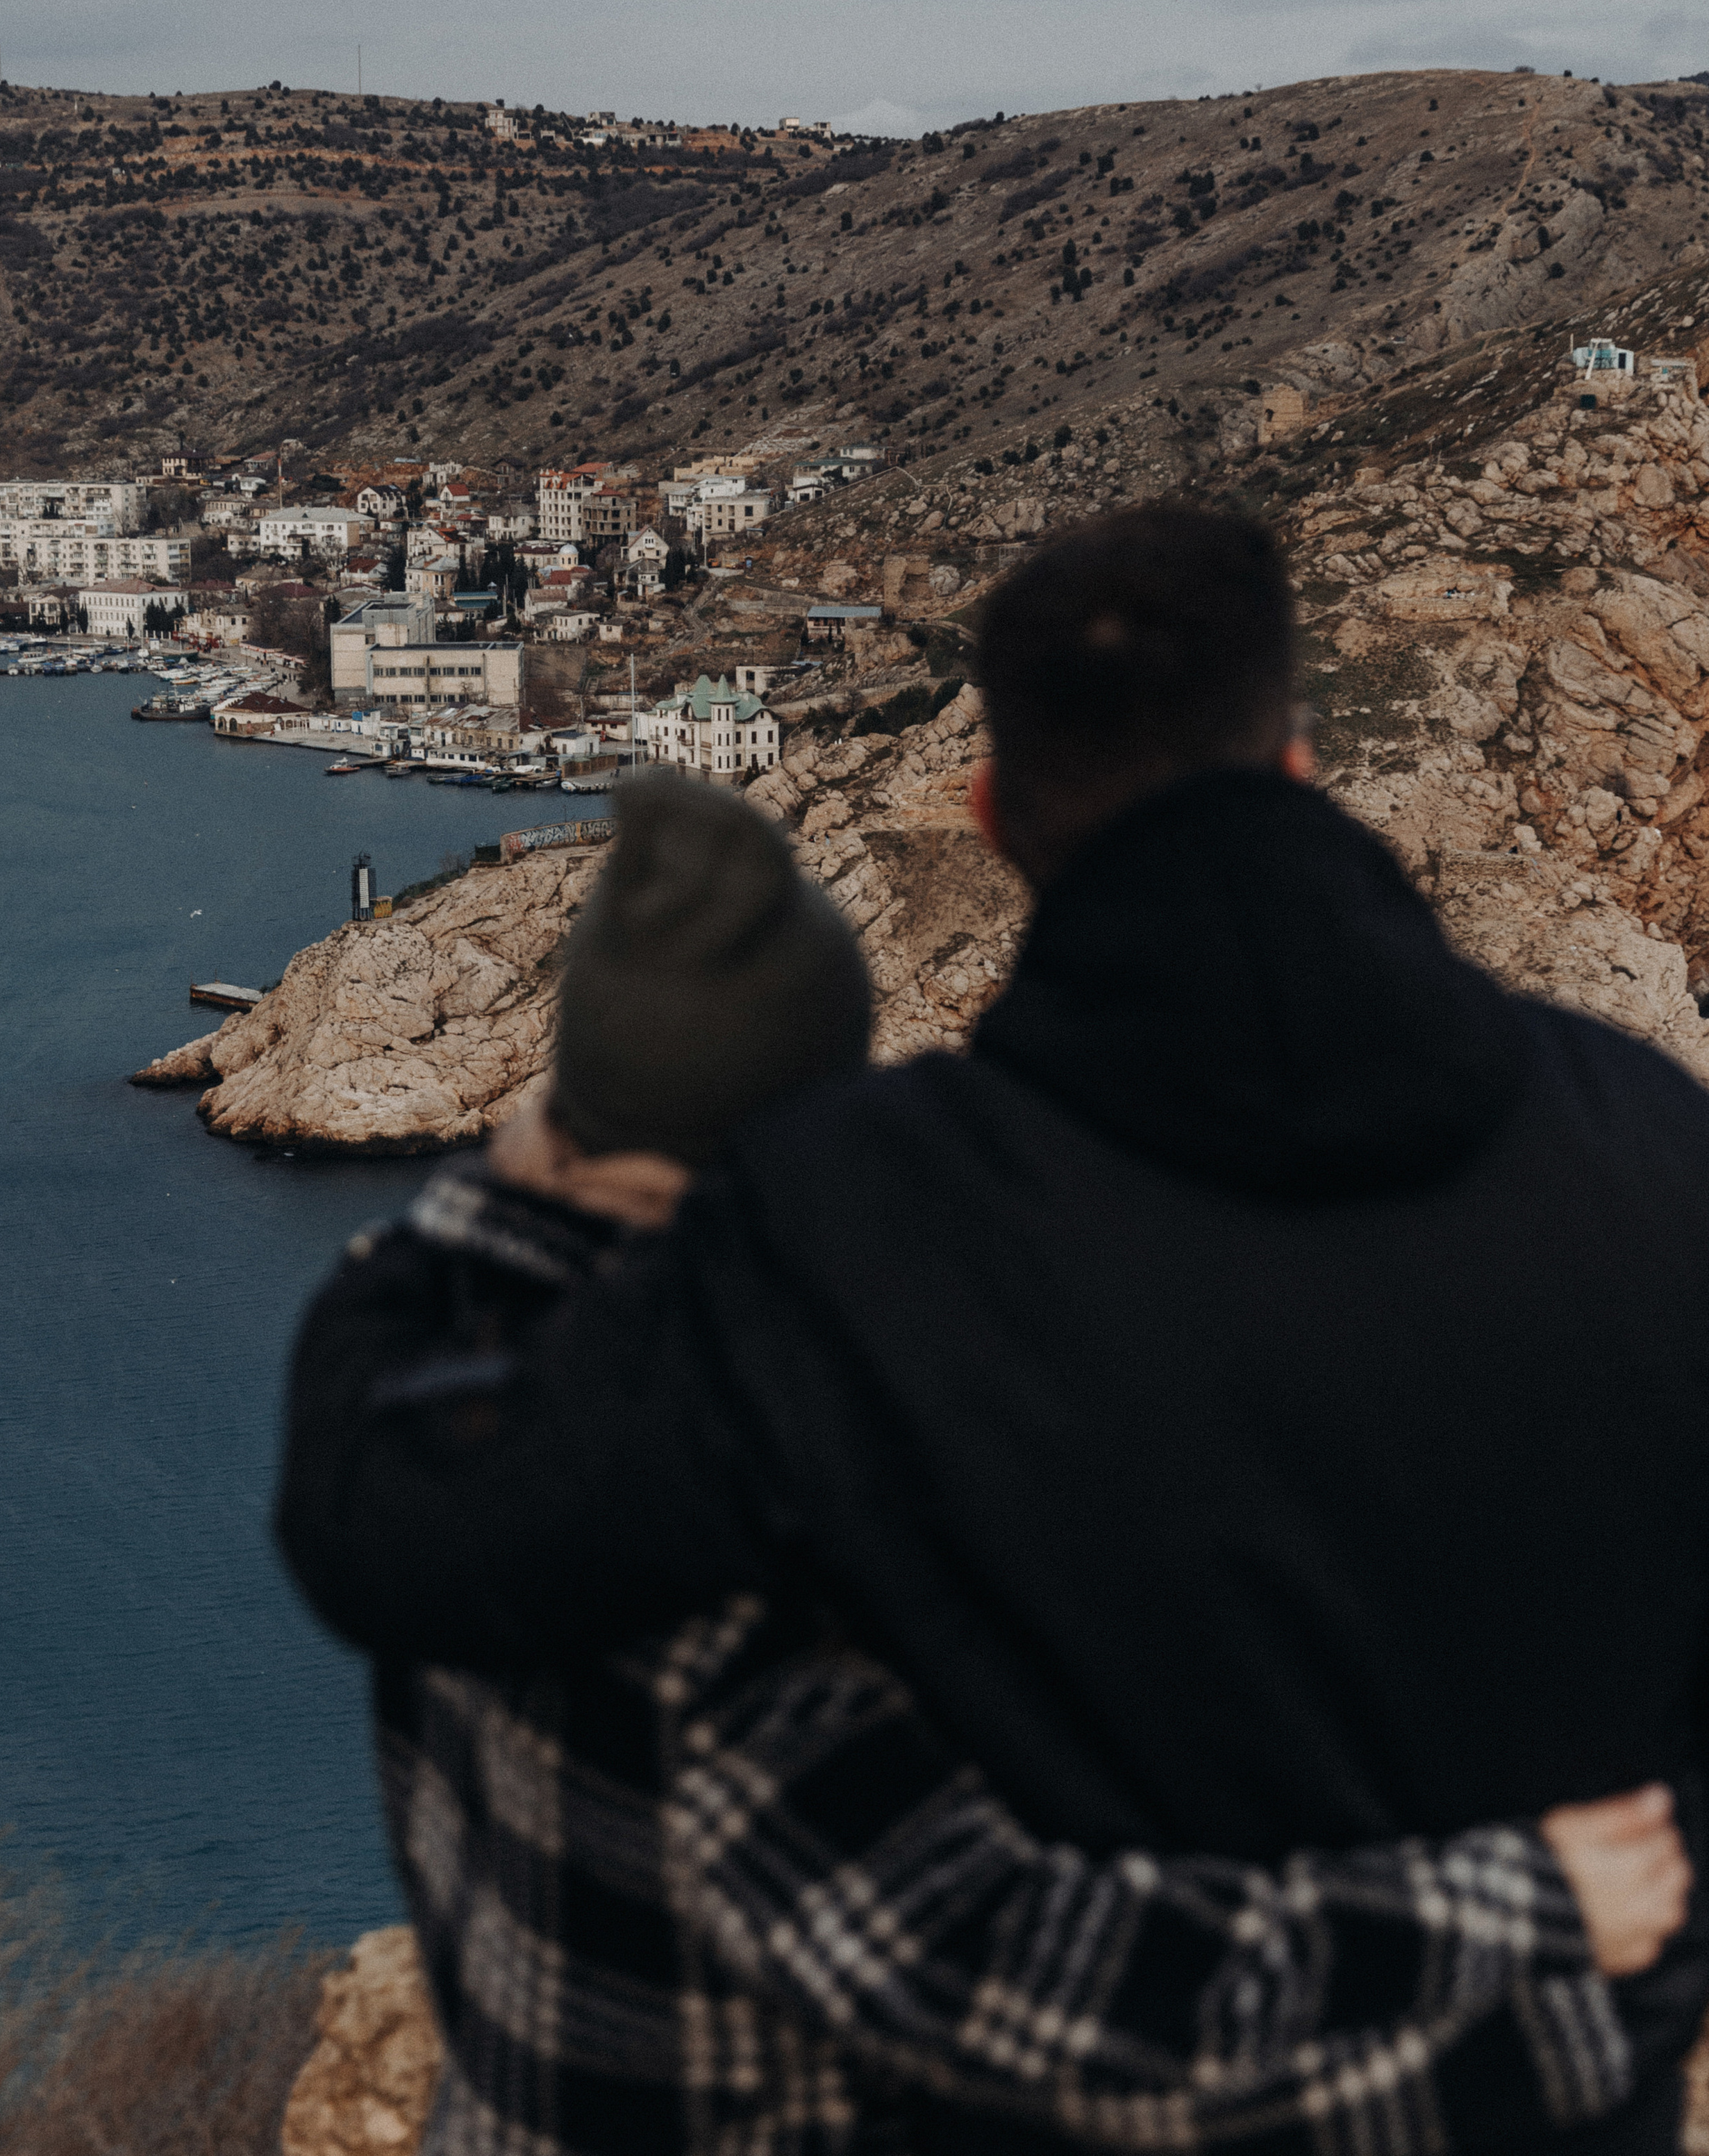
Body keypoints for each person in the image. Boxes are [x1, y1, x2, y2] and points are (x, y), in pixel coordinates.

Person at [281, 513, 1709, 2152]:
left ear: (987, 814)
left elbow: (424, 1527)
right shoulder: (1652, 1143)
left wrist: (475, 1235)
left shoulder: (850, 1231)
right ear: (1300, 764)